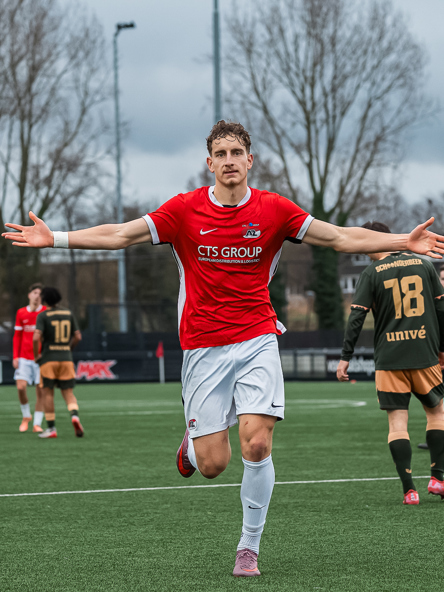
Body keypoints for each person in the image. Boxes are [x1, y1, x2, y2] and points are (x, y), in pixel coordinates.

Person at [3, 121, 444, 575]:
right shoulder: (183, 210)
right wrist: (55, 238)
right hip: (203, 346)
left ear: (250, 160)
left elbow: (338, 237)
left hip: (257, 338)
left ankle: (248, 547)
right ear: (209, 163)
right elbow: (120, 235)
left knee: (257, 443)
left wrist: (402, 242)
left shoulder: (274, 209)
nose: (229, 160)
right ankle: (192, 446)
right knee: (213, 464)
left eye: (237, 152)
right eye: (221, 153)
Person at [336, 221, 444, 505]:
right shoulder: (424, 265)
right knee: (437, 413)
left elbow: (356, 317)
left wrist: (346, 357)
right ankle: (438, 478)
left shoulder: (371, 273)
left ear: (375, 240)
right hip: (424, 353)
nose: (364, 248)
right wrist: (442, 349)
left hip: (389, 359)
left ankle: (410, 491)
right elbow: (441, 309)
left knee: (397, 423)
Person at [33, 287, 83, 439]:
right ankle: (74, 416)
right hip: (66, 359)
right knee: (68, 393)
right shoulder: (68, 313)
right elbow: (78, 336)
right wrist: (68, 349)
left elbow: (36, 338)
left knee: (48, 393)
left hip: (48, 359)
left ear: (44, 299)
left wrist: (37, 356)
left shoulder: (43, 316)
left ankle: (51, 429)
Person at [13, 282, 46, 433]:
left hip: (40, 359)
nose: (37, 296)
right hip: (24, 358)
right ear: (29, 295)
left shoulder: (45, 312)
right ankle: (26, 416)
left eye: (40, 294)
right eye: (35, 293)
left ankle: (37, 424)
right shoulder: (21, 313)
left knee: (41, 391)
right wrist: (15, 356)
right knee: (20, 387)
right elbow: (17, 336)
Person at [417, 262, 444, 450]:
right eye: (442, 278)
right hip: (436, 355)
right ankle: (437, 438)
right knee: (435, 398)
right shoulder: (433, 301)